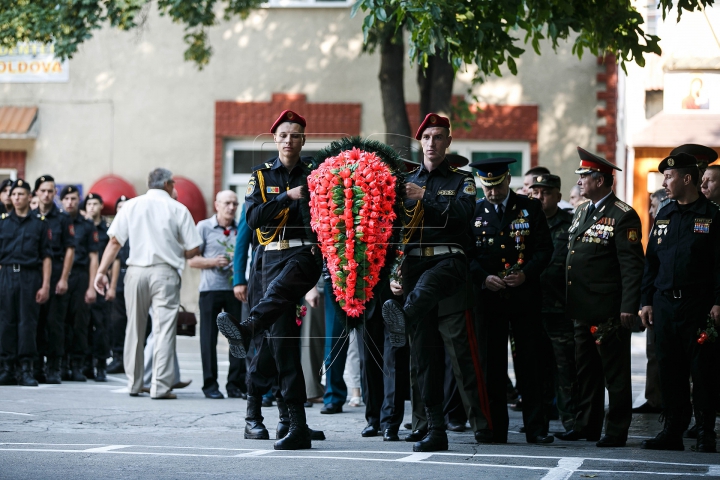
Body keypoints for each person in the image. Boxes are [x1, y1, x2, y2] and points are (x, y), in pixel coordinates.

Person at [381, 113, 492, 452]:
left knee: (460, 352)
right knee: (423, 356)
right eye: (426, 137)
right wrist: (394, 271)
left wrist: (424, 195)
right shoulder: (405, 180)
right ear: (420, 142)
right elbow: (392, 227)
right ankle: (433, 427)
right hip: (413, 263)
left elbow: (462, 214)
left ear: (448, 142)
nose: (432, 143)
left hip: (449, 259)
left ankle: (482, 425)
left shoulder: (463, 179)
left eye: (438, 137)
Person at [216, 110, 322, 450]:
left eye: (295, 135)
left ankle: (287, 418)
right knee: (276, 344)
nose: (289, 140)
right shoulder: (261, 176)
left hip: (302, 255)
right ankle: (269, 418)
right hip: (268, 260)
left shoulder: (316, 175)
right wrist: (285, 197)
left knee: (271, 336)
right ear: (275, 138)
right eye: (283, 135)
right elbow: (252, 217)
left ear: (303, 140)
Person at [557, 147, 644, 448]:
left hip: (608, 309)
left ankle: (617, 429)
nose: (579, 181)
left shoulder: (623, 215)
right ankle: (587, 425)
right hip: (582, 306)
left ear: (601, 180)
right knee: (587, 371)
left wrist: (628, 307)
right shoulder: (582, 210)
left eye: (585, 176)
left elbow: (632, 267)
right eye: (580, 176)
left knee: (614, 373)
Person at [94, 168, 202, 399]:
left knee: (134, 328)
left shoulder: (132, 205)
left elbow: (114, 242)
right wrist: (176, 249)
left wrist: (101, 272)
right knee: (163, 331)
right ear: (167, 184)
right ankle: (160, 387)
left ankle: (134, 384)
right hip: (165, 273)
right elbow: (194, 249)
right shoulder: (178, 208)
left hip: (135, 272)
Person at [468, 158, 553, 444]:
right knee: (492, 365)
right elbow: (466, 255)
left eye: (497, 186)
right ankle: (495, 428)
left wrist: (526, 274)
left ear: (507, 180)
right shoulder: (474, 210)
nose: (492, 192)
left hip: (523, 298)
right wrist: (483, 277)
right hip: (489, 299)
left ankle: (536, 428)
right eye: (486, 186)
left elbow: (544, 250)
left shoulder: (529, 208)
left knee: (530, 363)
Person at [640, 152, 720, 453]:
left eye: (669, 177)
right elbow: (652, 263)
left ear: (687, 179)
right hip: (664, 305)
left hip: (697, 306)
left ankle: (704, 432)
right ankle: (672, 430)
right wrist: (645, 301)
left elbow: (719, 265)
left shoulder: (712, 215)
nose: (665, 182)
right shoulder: (664, 213)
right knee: (669, 371)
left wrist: (718, 302)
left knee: (702, 371)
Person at [530, 173, 577, 432]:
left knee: (564, 368)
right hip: (532, 309)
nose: (539, 197)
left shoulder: (569, 225)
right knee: (536, 369)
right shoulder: (525, 223)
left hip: (559, 310)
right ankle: (538, 421)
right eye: (535, 192)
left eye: (545, 193)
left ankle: (570, 420)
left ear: (558, 196)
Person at [188, 190, 246, 399]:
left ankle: (235, 384)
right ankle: (210, 385)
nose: (231, 207)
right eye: (227, 203)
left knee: (237, 338)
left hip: (236, 290)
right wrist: (213, 261)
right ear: (217, 205)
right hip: (210, 290)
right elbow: (192, 260)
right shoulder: (203, 227)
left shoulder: (242, 228)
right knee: (208, 338)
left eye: (235, 204)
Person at [0, 179, 52, 386]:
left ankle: (27, 369)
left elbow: (46, 256)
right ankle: (7, 368)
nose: (17, 198)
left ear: (30, 197)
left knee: (28, 324)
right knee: (6, 323)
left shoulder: (39, 224)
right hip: (6, 276)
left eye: (21, 194)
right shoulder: (3, 222)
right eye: (14, 194)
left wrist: (46, 285)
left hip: (30, 276)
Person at [33, 175, 75, 384]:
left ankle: (54, 367)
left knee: (55, 323)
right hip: (34, 272)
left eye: (50, 191)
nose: (47, 195)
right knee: (36, 321)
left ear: (54, 193)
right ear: (37, 193)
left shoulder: (63, 218)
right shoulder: (30, 217)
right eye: (43, 191)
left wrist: (64, 278)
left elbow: (69, 250)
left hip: (57, 270)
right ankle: (37, 364)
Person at [633, 188, 668, 415]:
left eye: (654, 206)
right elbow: (649, 266)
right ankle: (654, 398)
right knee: (653, 353)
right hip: (655, 299)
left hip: (671, 301)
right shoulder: (658, 228)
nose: (649, 211)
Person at [60, 185, 99, 382]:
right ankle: (61, 364)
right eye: (66, 199)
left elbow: (94, 257)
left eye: (73, 199)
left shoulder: (87, 225)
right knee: (59, 322)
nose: (70, 202)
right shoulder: (57, 221)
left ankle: (77, 365)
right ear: (62, 201)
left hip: (81, 276)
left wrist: (92, 286)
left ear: (79, 200)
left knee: (80, 324)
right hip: (60, 276)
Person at [84, 193, 113, 381]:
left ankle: (101, 364)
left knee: (101, 325)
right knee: (84, 325)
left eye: (95, 203)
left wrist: (112, 287)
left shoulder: (108, 230)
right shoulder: (82, 227)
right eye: (89, 204)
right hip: (84, 282)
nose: (92, 207)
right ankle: (86, 364)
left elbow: (115, 261)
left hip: (103, 283)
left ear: (101, 205)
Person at [107, 195, 131, 374]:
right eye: (119, 207)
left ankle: (133, 358)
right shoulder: (113, 230)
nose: (122, 210)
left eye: (125, 207)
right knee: (117, 321)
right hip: (119, 276)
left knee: (137, 321)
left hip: (136, 274)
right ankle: (117, 356)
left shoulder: (137, 228)